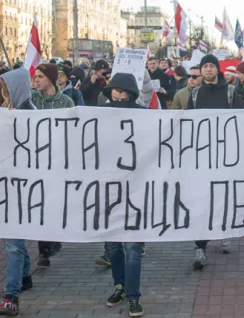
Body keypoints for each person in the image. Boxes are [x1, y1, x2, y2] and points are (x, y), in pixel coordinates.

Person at [186, 54, 243, 267]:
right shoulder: (195, 93)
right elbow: (188, 122)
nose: (208, 69)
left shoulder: (229, 92)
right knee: (201, 200)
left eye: (212, 66)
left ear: (217, 70)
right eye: (205, 66)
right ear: (201, 71)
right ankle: (200, 246)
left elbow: (242, 116)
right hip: (202, 156)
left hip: (225, 155)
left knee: (224, 195)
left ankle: (225, 232)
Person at [99, 73, 146, 317]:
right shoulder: (99, 114)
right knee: (113, 246)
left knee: (132, 247)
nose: (117, 95)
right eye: (113, 91)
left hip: (136, 190)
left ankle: (134, 295)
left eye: (122, 91)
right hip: (108, 189)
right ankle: (120, 286)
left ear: (131, 93)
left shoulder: (143, 115)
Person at [0, 69, 35, 316]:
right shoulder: (3, 109)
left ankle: (12, 294)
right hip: (4, 184)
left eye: (9, 86)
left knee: (13, 243)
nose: (5, 91)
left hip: (23, 187)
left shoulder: (31, 114)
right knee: (11, 240)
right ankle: (26, 275)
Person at [31, 62, 75, 266]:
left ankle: (55, 238)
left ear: (50, 78)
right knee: (40, 204)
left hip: (58, 160)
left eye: (40, 76)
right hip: (34, 161)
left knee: (55, 203)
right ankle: (44, 250)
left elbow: (74, 129)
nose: (36, 80)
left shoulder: (66, 102)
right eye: (34, 77)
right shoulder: (30, 99)